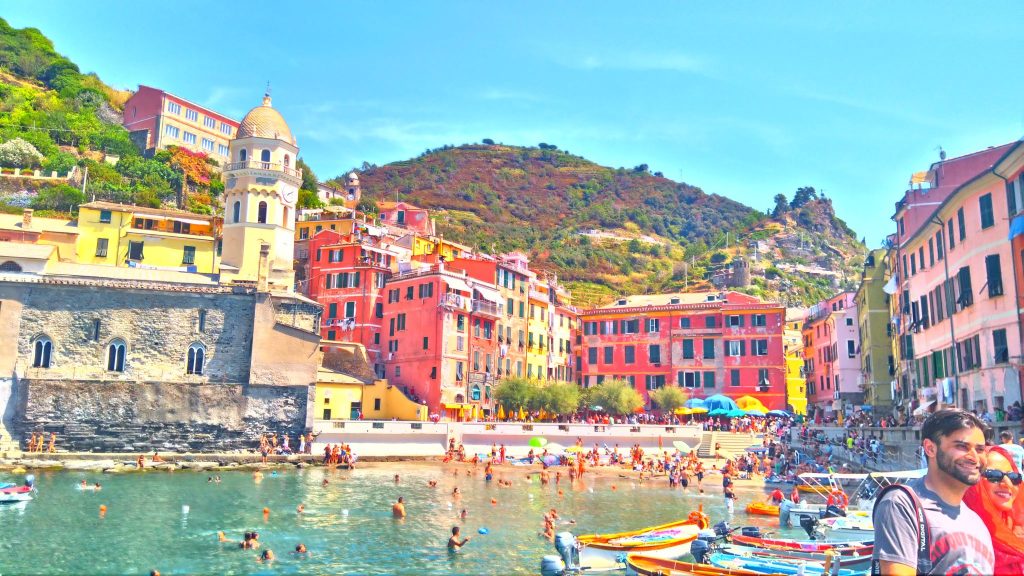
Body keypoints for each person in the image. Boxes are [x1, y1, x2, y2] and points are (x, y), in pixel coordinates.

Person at [871, 409, 994, 575]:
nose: (974, 457)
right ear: (930, 448)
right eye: (962, 446)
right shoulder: (901, 504)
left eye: (980, 450)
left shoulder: (975, 521)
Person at [962, 446, 1024, 573]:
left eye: (1013, 477)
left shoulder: (1018, 528)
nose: (1007, 483)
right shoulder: (960, 537)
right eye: (994, 476)